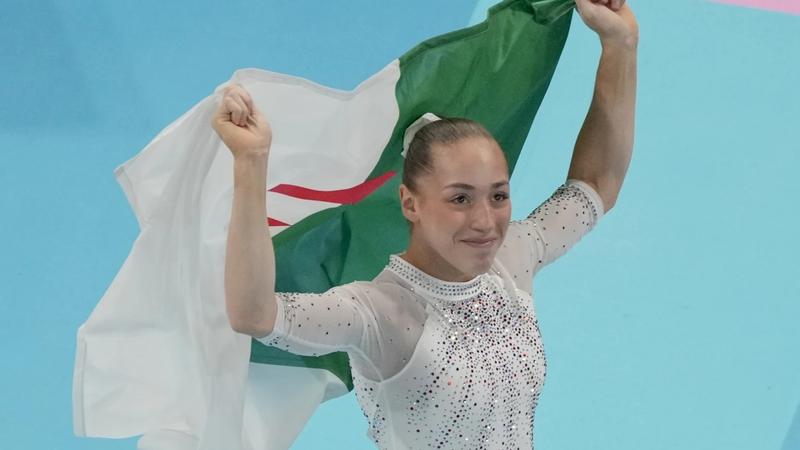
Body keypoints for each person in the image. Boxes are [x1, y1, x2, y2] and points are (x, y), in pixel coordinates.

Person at [211, 0, 638, 447]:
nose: (485, 221)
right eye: (459, 198)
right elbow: (253, 312)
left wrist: (620, 43)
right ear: (410, 203)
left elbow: (593, 185)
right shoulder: (379, 313)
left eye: (498, 195)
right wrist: (252, 160)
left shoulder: (512, 260)